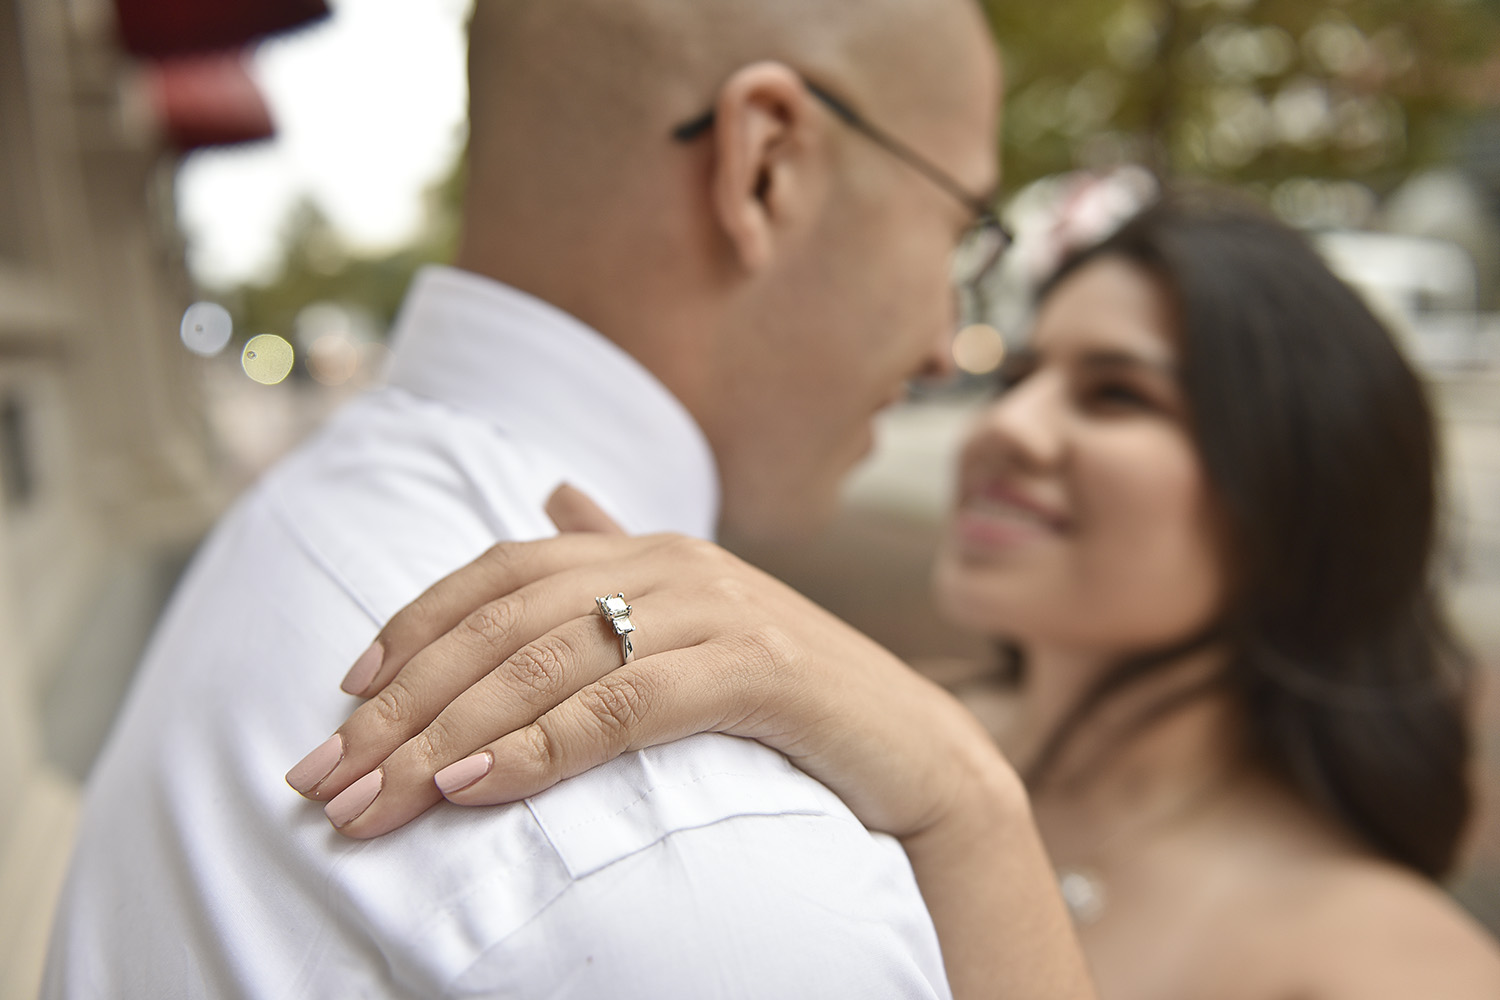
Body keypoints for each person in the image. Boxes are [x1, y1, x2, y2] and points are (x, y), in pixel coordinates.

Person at [45, 1, 1095, 997]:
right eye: (961, 227)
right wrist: (975, 803)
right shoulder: (708, 869)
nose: (944, 334)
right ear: (766, 166)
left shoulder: (309, 504)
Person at [311, 193, 1500, 999]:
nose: (1010, 429)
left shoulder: (1398, 964)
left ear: (1301, 492)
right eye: (1026, 374)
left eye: (1118, 396)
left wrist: (972, 812)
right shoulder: (869, 723)